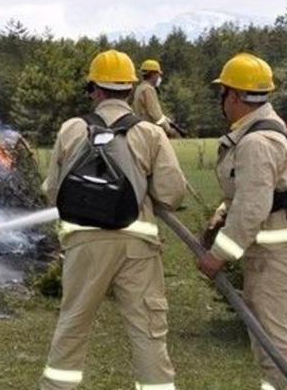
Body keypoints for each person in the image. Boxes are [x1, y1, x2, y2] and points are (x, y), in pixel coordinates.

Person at [40, 49, 187, 390]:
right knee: (148, 333)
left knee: (72, 328)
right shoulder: (149, 133)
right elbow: (171, 193)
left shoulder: (72, 129)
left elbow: (53, 192)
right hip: (137, 247)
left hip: (84, 247)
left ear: (94, 89)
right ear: (131, 90)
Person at [198, 52, 287, 390]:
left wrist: (218, 255)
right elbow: (254, 195)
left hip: (276, 262)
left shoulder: (256, 141)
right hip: (281, 257)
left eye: (223, 94)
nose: (222, 102)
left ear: (233, 96)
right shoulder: (269, 132)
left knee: (277, 349)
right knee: (269, 347)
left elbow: (252, 208)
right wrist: (222, 212)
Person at [132, 59, 181, 138]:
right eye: (158, 74)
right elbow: (155, 114)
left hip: (141, 130)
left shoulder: (140, 88)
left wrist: (166, 119)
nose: (159, 77)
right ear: (153, 74)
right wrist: (168, 129)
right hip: (150, 132)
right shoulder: (148, 89)